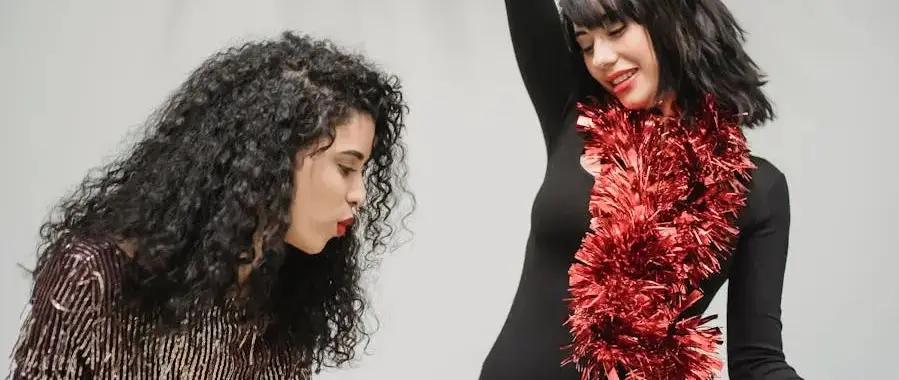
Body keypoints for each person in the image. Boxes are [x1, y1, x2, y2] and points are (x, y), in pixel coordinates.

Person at [8, 31, 411, 380]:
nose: (359, 194)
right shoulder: (93, 277)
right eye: (345, 167)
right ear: (273, 159)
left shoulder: (281, 303)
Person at [479, 0, 802, 379]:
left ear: (674, 19)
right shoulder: (577, 118)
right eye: (585, 44)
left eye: (616, 31)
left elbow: (758, 363)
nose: (600, 57)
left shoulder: (755, 189)